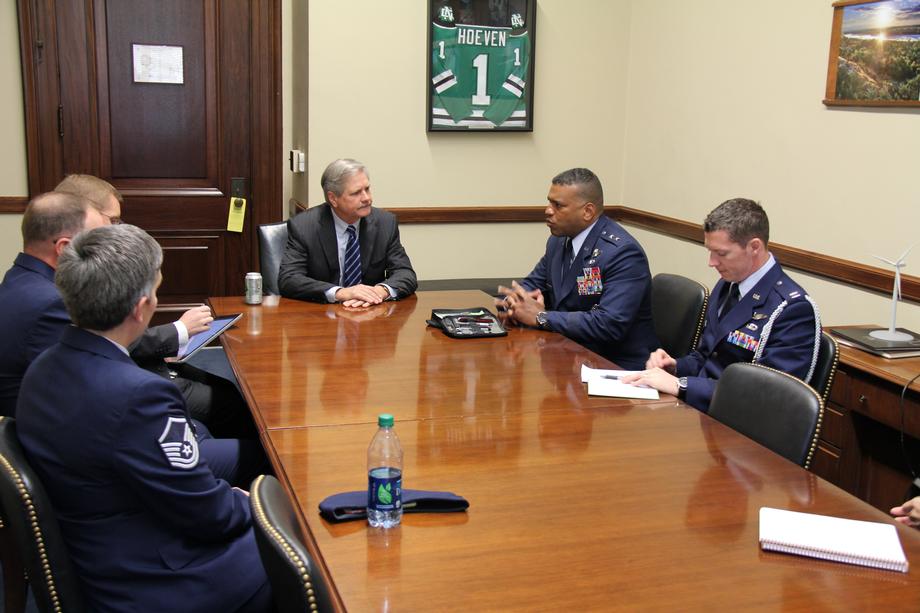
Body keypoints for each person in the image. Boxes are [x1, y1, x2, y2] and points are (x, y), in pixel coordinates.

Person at [16, 224, 272, 611]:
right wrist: (252, 502)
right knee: (301, 546)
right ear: (141, 309)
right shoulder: (139, 395)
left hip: (93, 547)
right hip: (151, 577)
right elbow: (208, 513)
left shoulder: (42, 367)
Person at [55, 174, 256, 439]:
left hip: (142, 369)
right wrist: (178, 331)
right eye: (113, 220)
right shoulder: (60, 288)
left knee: (229, 392)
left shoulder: (44, 366)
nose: (117, 228)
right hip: (134, 386)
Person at [623, 198, 821, 412]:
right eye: (710, 251)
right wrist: (674, 366)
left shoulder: (791, 308)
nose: (712, 262)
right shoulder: (729, 285)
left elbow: (768, 394)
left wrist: (682, 385)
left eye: (722, 253)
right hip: (704, 410)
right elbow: (706, 357)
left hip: (742, 427)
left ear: (754, 247)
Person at [496, 168, 658, 369]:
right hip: (569, 357)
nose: (547, 210)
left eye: (558, 205)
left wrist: (541, 317)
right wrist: (513, 304)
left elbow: (609, 325)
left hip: (615, 369)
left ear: (587, 212)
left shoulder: (622, 254)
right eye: (549, 202)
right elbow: (532, 285)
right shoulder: (558, 242)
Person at [0, 192, 107, 415]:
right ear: (64, 248)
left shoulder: (18, 277)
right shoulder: (53, 303)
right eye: (97, 242)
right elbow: (77, 390)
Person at [278, 158, 418, 307]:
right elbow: (289, 279)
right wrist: (341, 293)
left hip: (371, 315)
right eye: (356, 193)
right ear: (333, 198)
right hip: (323, 317)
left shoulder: (385, 223)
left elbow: (405, 273)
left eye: (367, 189)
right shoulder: (304, 226)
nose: (367, 198)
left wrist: (379, 291)